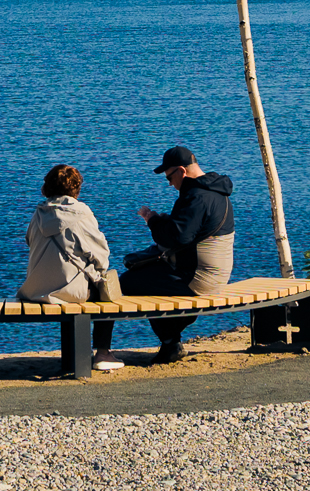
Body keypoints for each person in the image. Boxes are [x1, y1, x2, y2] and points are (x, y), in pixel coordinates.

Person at [107, 144, 233, 365]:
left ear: (182, 171)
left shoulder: (195, 196)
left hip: (199, 279)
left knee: (128, 282)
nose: (170, 184)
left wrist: (152, 220)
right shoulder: (217, 192)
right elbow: (189, 231)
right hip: (216, 274)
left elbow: (175, 238)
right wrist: (165, 221)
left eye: (169, 178)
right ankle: (172, 336)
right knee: (147, 275)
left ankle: (170, 339)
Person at [18, 165, 113, 304]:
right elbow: (101, 255)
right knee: (108, 298)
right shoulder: (81, 214)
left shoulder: (38, 214)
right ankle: (99, 327)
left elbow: (29, 242)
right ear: (76, 188)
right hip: (71, 291)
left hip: (34, 291)